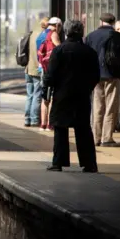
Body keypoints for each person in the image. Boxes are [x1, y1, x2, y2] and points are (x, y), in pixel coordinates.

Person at [44, 20, 100, 173]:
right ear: (81, 32)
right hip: (82, 96)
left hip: (62, 95)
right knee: (83, 130)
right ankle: (89, 164)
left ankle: (58, 162)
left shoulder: (59, 50)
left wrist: (46, 93)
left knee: (60, 129)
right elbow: (95, 76)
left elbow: (50, 75)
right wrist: (87, 88)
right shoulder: (90, 52)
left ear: (66, 32)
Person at [85, 13, 120, 147]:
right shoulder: (117, 36)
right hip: (112, 75)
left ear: (101, 21)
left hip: (95, 75)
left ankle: (95, 137)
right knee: (111, 106)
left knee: (97, 106)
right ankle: (107, 138)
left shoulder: (91, 36)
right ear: (113, 22)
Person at [37, 17, 62, 131]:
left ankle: (42, 124)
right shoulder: (53, 34)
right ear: (57, 26)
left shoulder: (41, 34)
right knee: (52, 97)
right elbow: (60, 49)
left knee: (44, 97)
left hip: (43, 68)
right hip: (52, 69)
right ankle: (50, 124)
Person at [24, 17, 49, 127]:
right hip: (36, 70)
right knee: (37, 95)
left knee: (29, 95)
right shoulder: (44, 36)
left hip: (28, 69)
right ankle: (34, 119)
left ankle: (27, 119)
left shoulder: (32, 34)